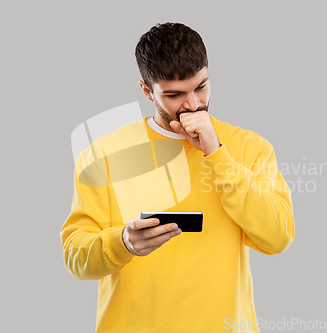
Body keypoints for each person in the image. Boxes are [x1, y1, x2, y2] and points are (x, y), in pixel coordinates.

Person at [61, 22, 295, 332]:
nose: (193, 104)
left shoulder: (251, 147)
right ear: (147, 91)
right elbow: (76, 258)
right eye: (174, 95)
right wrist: (124, 242)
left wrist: (217, 154)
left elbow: (278, 237)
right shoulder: (103, 153)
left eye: (201, 86)